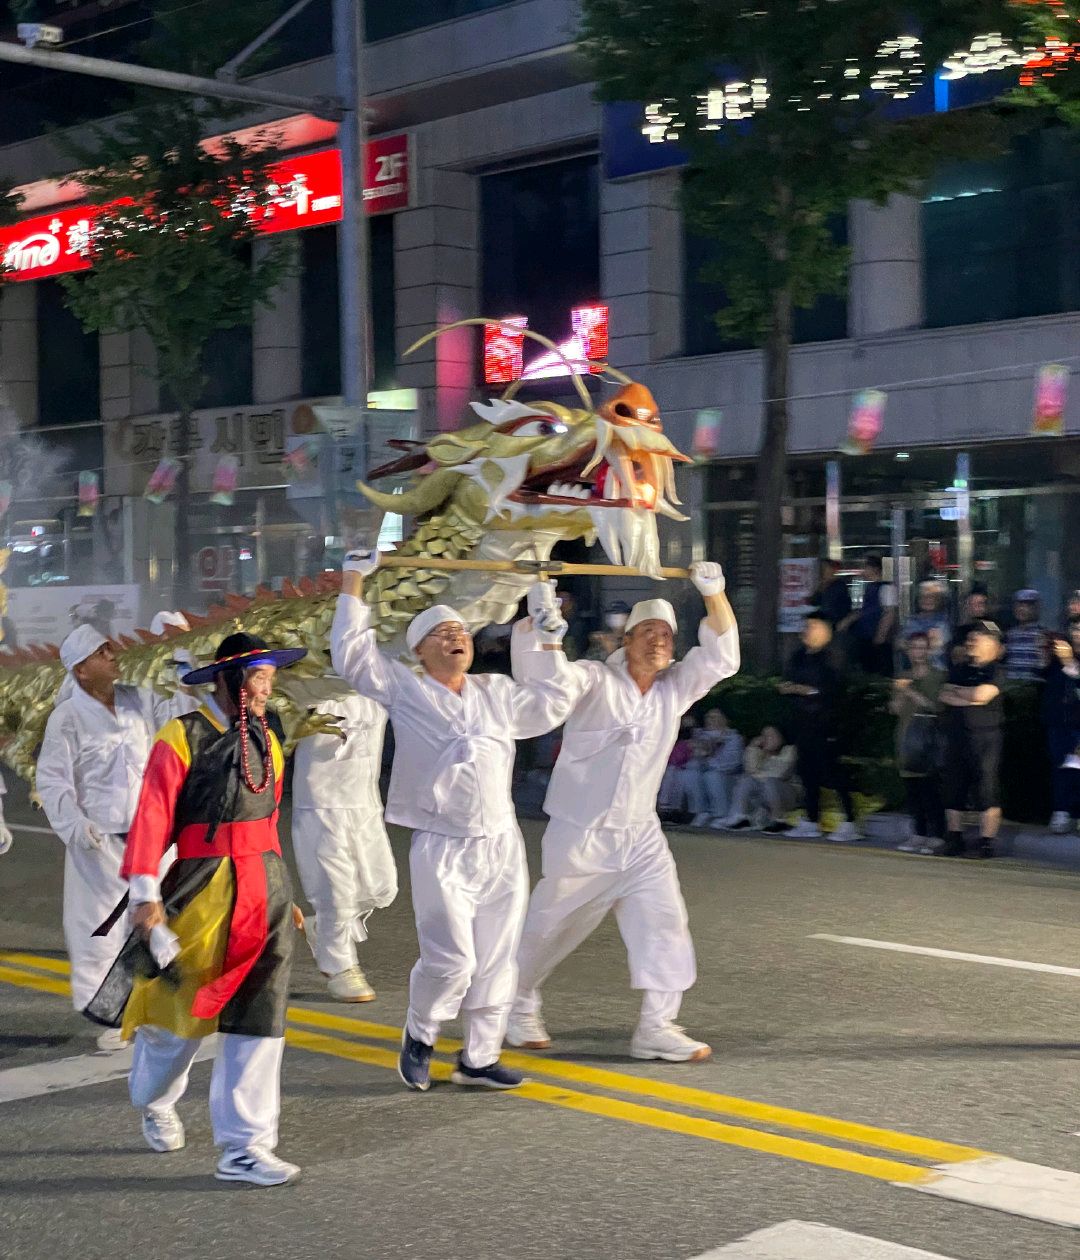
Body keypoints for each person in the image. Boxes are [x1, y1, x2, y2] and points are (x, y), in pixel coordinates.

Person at [331, 552, 575, 1094]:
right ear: (418, 651)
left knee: (496, 959)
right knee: (452, 959)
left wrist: (547, 626)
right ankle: (420, 1035)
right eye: (440, 634)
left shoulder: (496, 692)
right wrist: (355, 579)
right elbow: (350, 655)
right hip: (442, 847)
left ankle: (479, 1057)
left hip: (501, 845)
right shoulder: (405, 687)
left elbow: (553, 702)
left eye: (460, 631)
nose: (454, 638)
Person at [85, 633, 308, 1186]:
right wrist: (145, 899)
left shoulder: (268, 734)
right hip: (204, 888)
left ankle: (245, 1148)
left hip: (265, 890)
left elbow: (268, 820)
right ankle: (153, 1099)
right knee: (177, 1024)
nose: (267, 687)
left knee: (260, 1019)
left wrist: (286, 894)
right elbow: (153, 817)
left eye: (268, 676)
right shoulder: (181, 736)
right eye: (258, 677)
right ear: (230, 681)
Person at [506, 561, 739, 1063]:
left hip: (641, 837)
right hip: (581, 833)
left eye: (665, 636)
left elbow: (721, 658)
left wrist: (713, 592)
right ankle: (516, 1001)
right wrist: (542, 610)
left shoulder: (675, 689)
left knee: (665, 922)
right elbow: (548, 685)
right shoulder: (592, 679)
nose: (658, 642)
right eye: (647, 633)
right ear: (624, 641)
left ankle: (658, 1025)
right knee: (550, 928)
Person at [36, 625, 197, 1050]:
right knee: (101, 933)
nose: (112, 655)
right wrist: (74, 825)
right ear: (81, 670)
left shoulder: (138, 700)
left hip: (151, 836)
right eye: (100, 652)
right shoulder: (67, 718)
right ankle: (111, 1017)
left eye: (110, 648)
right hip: (100, 843)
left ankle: (159, 1007)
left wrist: (182, 666)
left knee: (159, 922)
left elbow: (179, 718)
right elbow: (53, 781)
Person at [292, 684, 397, 1002]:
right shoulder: (310, 676)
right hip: (321, 799)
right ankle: (339, 965)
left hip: (364, 800)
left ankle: (323, 930)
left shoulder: (376, 681)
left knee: (381, 887)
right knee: (335, 891)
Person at [780, 615, 861, 842]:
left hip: (827, 724)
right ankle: (811, 819)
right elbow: (789, 682)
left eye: (813, 626)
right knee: (807, 773)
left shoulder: (833, 655)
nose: (807, 630)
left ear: (826, 630)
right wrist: (792, 689)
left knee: (833, 772)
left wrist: (802, 689)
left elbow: (832, 689)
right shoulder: (799, 656)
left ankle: (849, 821)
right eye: (806, 626)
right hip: (803, 723)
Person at [940, 620, 1005, 859]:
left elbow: (983, 695)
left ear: (992, 643)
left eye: (978, 637)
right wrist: (970, 697)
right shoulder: (960, 668)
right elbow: (944, 695)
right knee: (954, 785)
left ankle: (986, 842)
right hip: (958, 735)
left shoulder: (995, 670)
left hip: (986, 736)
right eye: (970, 637)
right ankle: (954, 838)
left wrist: (966, 694)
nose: (971, 641)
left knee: (986, 787)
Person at [891, 631, 946, 854]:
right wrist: (899, 693)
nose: (918, 652)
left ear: (929, 650)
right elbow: (894, 709)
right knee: (912, 789)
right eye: (914, 648)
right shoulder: (904, 676)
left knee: (930, 788)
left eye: (922, 648)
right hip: (906, 737)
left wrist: (909, 691)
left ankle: (937, 835)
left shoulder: (938, 676)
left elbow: (933, 706)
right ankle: (918, 833)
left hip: (928, 739)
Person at [718, 725, 798, 834]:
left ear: (781, 738)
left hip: (787, 795)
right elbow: (750, 770)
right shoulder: (759, 753)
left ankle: (778, 821)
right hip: (765, 796)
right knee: (746, 780)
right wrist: (752, 747)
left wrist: (757, 772)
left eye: (770, 736)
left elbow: (779, 773)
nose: (765, 739)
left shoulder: (789, 750)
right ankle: (739, 817)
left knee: (770, 782)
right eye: (763, 735)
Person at [1041, 628, 1080, 834]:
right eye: (1074, 630)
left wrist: (1069, 663)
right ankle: (1061, 811)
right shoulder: (1058, 659)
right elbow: (1042, 674)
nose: (1077, 634)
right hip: (1058, 722)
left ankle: (1074, 814)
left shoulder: (1068, 660)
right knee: (1061, 767)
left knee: (1076, 769)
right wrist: (1046, 655)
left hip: (1077, 725)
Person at [682, 708, 745, 826]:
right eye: (708, 717)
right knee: (690, 773)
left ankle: (720, 814)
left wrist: (708, 758)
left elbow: (731, 764)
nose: (710, 720)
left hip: (728, 777)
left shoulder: (734, 738)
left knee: (711, 776)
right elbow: (694, 758)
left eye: (714, 717)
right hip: (706, 771)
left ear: (724, 720)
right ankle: (701, 812)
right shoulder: (699, 734)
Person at [850, 553, 897, 676]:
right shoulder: (870, 587)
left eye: (865, 567)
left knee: (879, 671)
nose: (863, 571)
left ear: (875, 569)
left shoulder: (886, 588)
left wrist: (879, 637)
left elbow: (889, 613)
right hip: (866, 638)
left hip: (878, 641)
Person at [904, 581, 951, 670]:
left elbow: (939, 648)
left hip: (937, 671)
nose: (927, 600)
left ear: (939, 599)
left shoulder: (944, 621)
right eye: (924, 596)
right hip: (913, 670)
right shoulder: (911, 620)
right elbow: (900, 643)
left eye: (932, 597)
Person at [1004, 589, 1046, 682]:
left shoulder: (1042, 634)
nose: (1022, 609)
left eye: (1027, 605)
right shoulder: (1010, 634)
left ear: (1035, 608)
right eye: (1019, 605)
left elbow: (1044, 665)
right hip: (1011, 686)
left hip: (1033, 686)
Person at [949, 583, 992, 664]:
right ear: (968, 606)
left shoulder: (991, 626)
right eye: (973, 604)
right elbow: (955, 654)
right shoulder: (960, 630)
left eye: (980, 604)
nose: (976, 608)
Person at [810, 558, 852, 629]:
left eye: (825, 568)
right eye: (822, 569)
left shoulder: (839, 585)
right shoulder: (823, 585)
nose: (823, 571)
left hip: (836, 624)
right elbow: (814, 602)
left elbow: (830, 608)